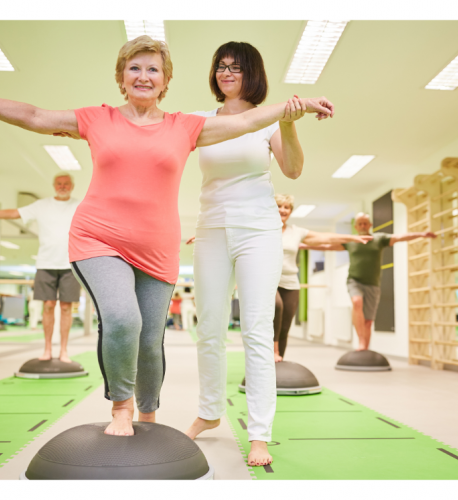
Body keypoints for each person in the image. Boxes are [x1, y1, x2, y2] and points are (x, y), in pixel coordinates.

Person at [0, 35, 334, 437]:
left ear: (165, 80)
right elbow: (33, 115)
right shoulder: (97, 118)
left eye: (153, 69)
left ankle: (149, 416)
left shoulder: (184, 126)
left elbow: (246, 121)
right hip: (98, 239)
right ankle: (121, 408)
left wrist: (295, 107)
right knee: (124, 319)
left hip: (159, 249)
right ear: (121, 77)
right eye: (134, 68)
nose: (143, 76)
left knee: (150, 339)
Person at [173, 42, 359, 467]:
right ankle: (209, 412)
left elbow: (292, 169)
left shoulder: (268, 119)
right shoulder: (201, 120)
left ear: (251, 72)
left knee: (257, 330)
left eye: (235, 67)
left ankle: (260, 433)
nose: (225, 73)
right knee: (210, 328)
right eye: (220, 66)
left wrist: (290, 123)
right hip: (212, 229)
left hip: (258, 229)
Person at [0, 173, 82, 362]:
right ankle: (48, 349)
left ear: (72, 186)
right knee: (48, 305)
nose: (63, 186)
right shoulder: (42, 205)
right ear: (53, 185)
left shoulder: (80, 205)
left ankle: (64, 351)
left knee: (66, 307)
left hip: (71, 263)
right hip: (45, 263)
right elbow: (13, 213)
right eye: (59, 183)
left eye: (66, 183)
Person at [270, 194, 370, 361]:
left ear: (291, 211)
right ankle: (272, 353)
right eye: (279, 206)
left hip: (291, 283)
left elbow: (326, 237)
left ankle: (278, 364)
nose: (282, 210)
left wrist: (352, 237)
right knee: (276, 307)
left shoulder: (296, 232)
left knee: (285, 326)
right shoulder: (264, 229)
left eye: (287, 207)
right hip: (269, 281)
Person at [319, 213, 435, 352]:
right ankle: (361, 341)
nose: (362, 226)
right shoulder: (350, 241)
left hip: (373, 284)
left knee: (368, 321)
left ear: (370, 225)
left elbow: (399, 237)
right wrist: (301, 246)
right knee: (357, 302)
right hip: (354, 280)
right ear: (355, 226)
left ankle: (365, 349)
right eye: (360, 223)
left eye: (365, 223)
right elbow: (326, 246)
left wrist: (421, 234)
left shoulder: (378, 239)